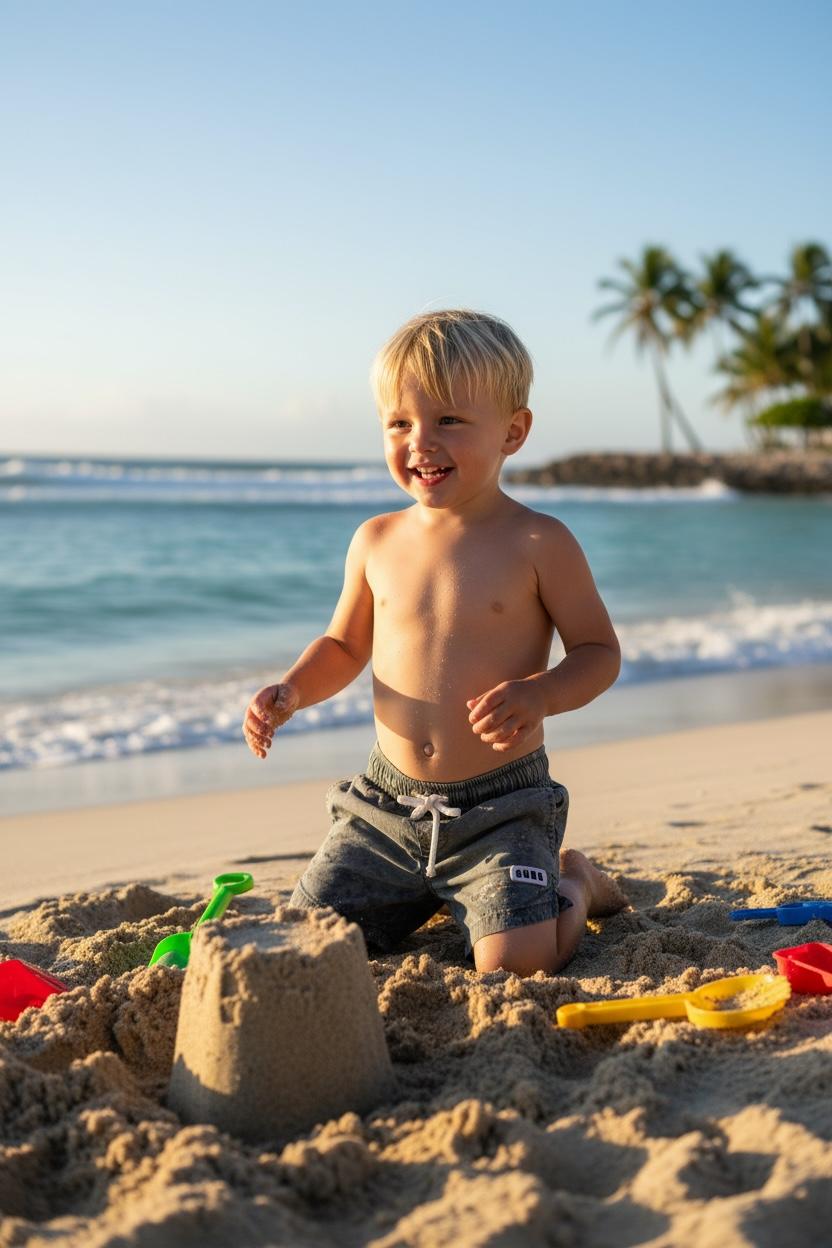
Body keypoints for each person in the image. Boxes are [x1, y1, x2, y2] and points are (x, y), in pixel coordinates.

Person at [243, 309, 627, 975]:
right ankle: (415, 895)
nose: (420, 440)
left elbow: (598, 653)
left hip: (501, 810)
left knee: (517, 966)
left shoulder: (540, 542)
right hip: (383, 812)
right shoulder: (376, 540)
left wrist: (541, 694)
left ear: (513, 431)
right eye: (399, 422)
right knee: (304, 945)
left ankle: (577, 881)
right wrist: (293, 690)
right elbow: (343, 643)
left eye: (449, 420)